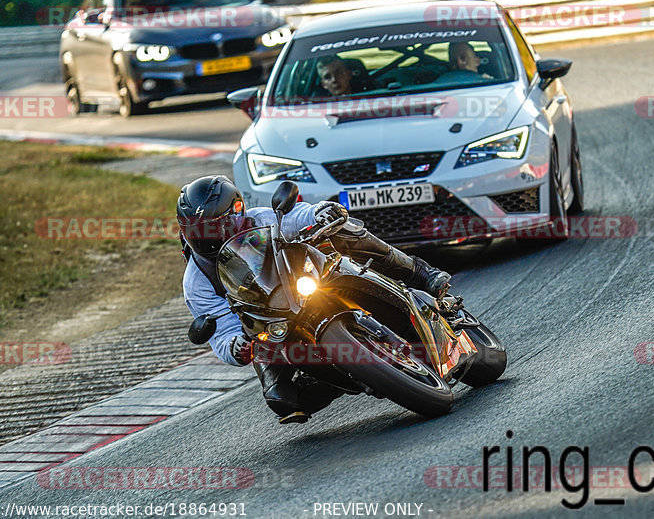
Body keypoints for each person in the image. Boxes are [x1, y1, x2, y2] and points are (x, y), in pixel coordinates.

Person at [178, 175, 451, 424]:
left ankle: (420, 272)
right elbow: (221, 332)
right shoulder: (196, 281)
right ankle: (345, 373)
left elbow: (299, 215)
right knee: (283, 399)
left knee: (341, 229)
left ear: (238, 211)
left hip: (306, 280)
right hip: (270, 324)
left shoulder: (263, 218)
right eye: (199, 230)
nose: (207, 236)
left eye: (215, 226)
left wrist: (321, 211)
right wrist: (236, 346)